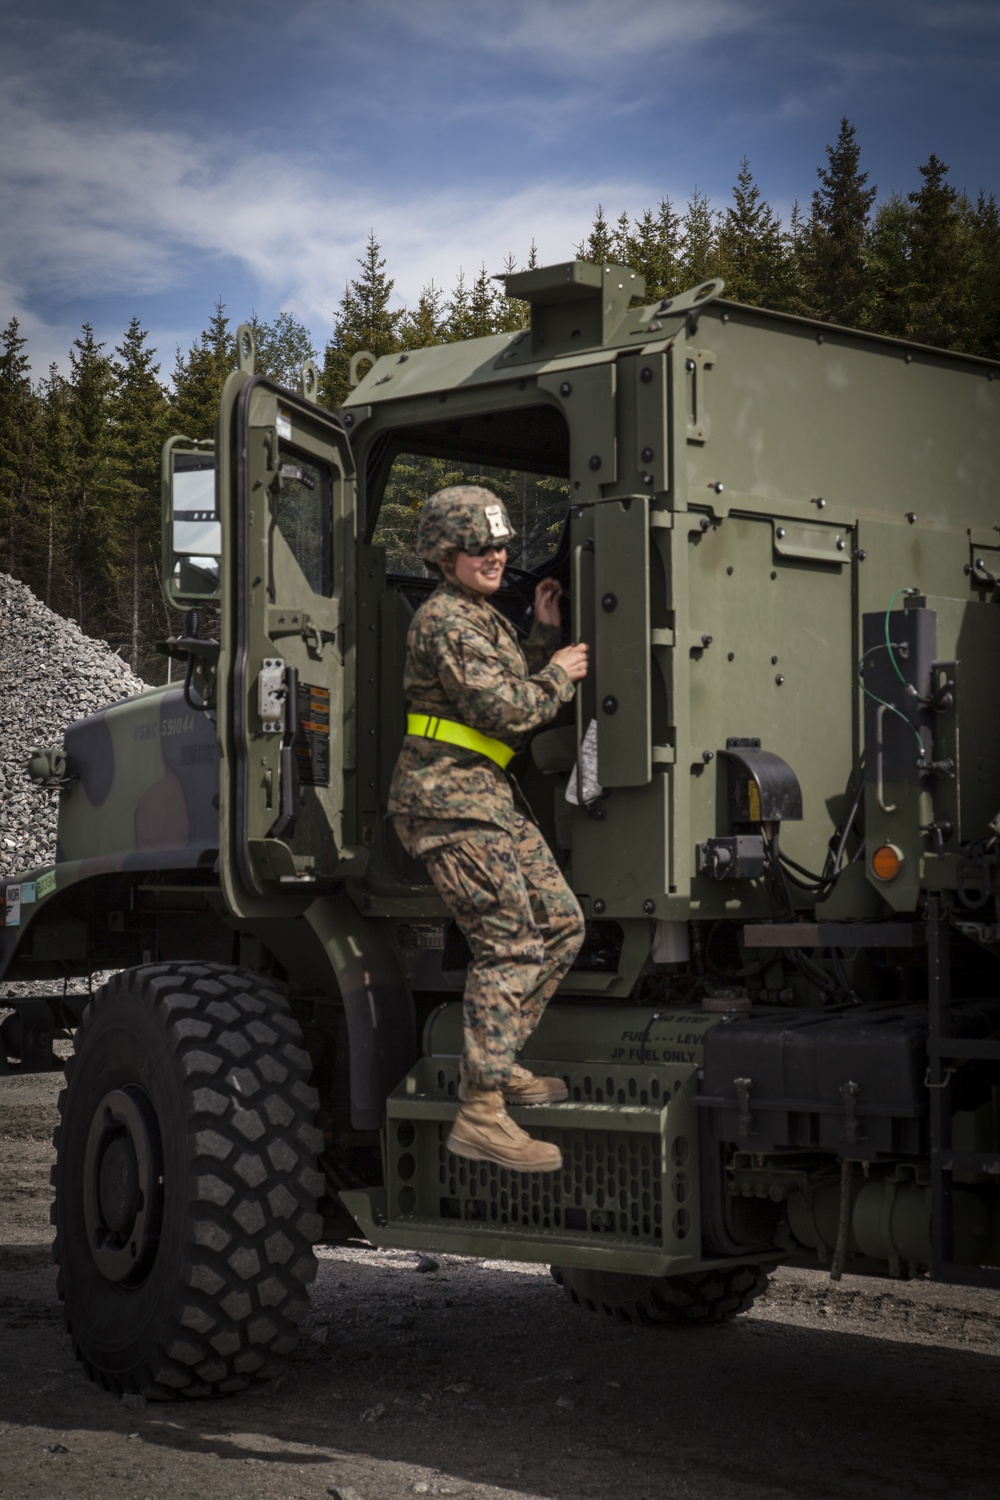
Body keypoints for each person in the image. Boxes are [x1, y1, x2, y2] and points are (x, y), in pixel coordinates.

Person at [388, 485, 588, 1173]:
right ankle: (480, 1114)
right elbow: (502, 710)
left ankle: (496, 1065)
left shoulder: (478, 616)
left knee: (561, 926)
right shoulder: (447, 620)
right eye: (479, 545)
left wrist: (539, 634)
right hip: (448, 803)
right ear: (447, 553)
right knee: (509, 947)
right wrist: (559, 673)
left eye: (501, 543)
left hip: (487, 799)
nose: (495, 556)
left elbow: (500, 685)